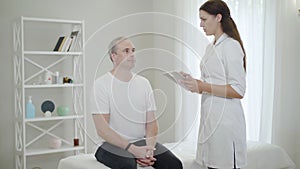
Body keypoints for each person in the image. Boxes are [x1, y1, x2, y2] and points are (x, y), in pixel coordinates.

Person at [91, 37, 183, 169]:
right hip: (108, 145)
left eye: (133, 50)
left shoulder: (144, 83)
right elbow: (102, 130)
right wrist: (133, 150)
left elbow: (151, 123)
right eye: (126, 51)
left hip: (140, 141)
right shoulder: (101, 85)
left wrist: (150, 149)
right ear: (114, 56)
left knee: (174, 164)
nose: (132, 54)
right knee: (128, 165)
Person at [179, 0, 247, 169]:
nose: (200, 24)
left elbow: (238, 90)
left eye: (204, 19)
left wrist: (203, 86)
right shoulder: (211, 47)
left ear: (218, 18)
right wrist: (194, 84)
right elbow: (212, 82)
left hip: (226, 122)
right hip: (210, 118)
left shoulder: (231, 46)